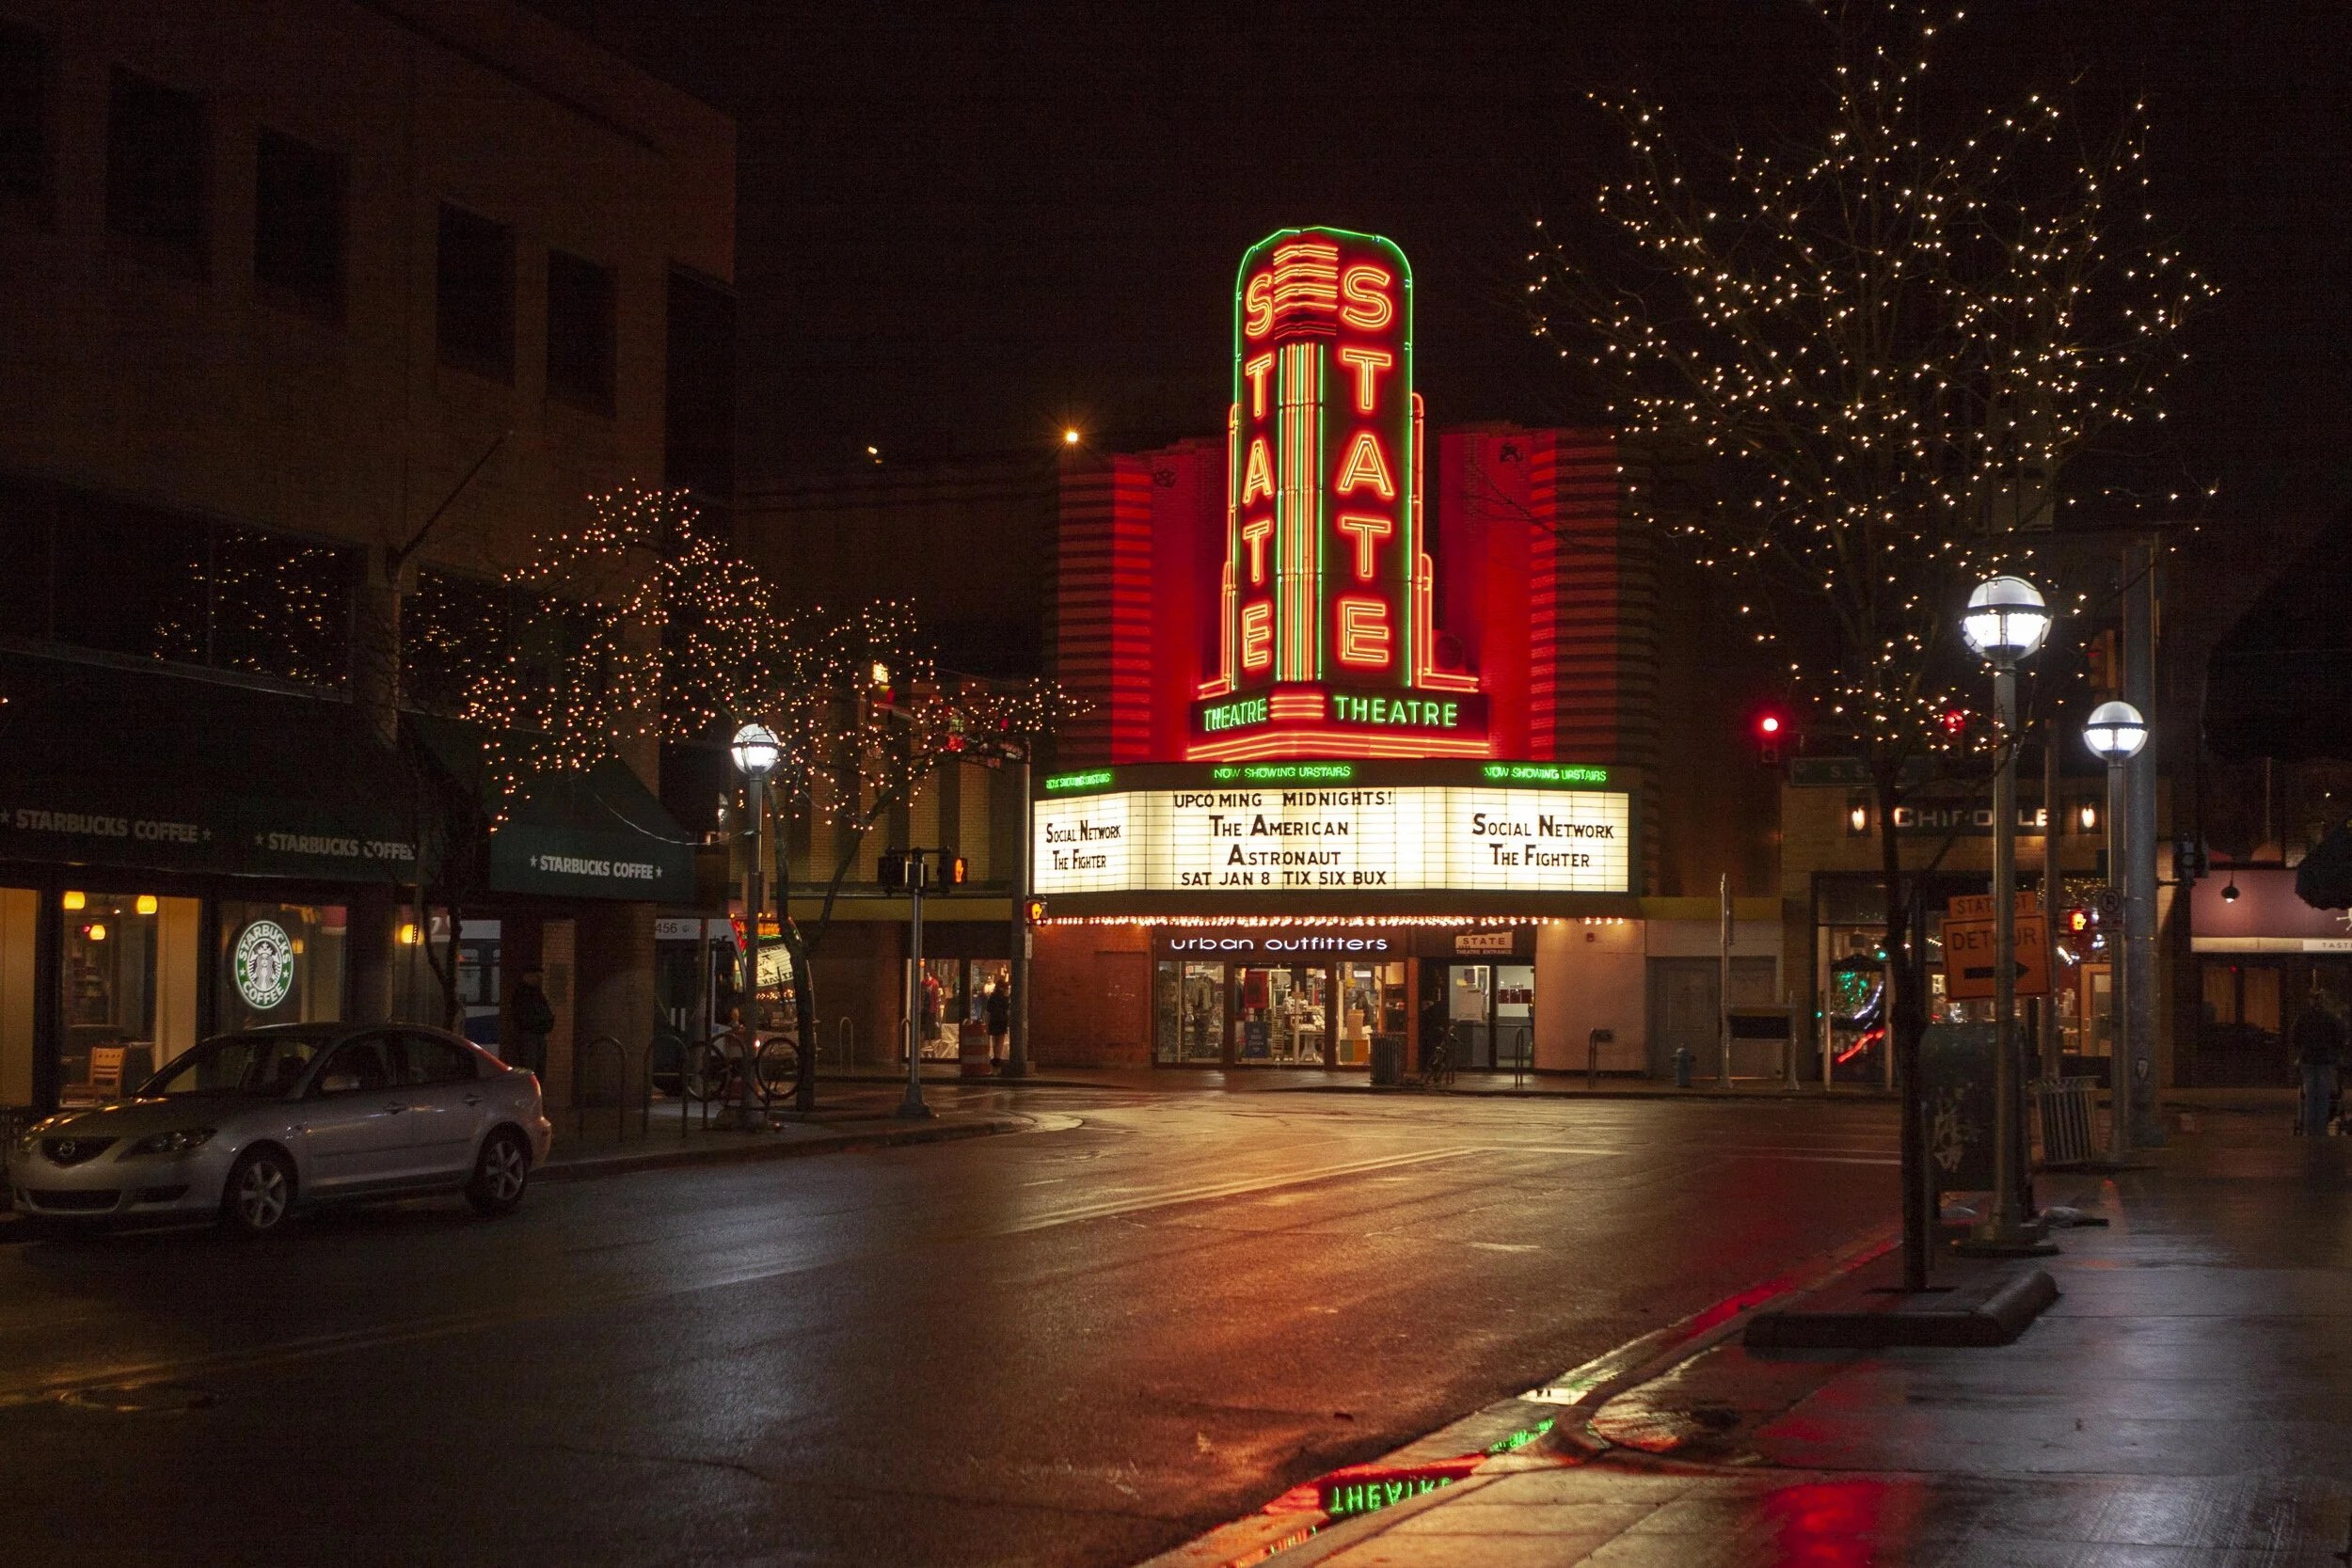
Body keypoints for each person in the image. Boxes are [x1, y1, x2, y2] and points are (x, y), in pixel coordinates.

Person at [2290, 985, 2343, 1136]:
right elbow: (2339, 1037)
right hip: (2325, 1059)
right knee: (2324, 1093)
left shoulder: (2304, 1018)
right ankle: (2321, 1126)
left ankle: (2309, 1126)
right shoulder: (2330, 1018)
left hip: (2308, 1058)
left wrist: (2302, 1049)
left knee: (2310, 1093)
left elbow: (2295, 1037)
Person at [509, 969, 557, 1081]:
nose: (539, 980)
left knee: (537, 1068)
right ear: (528, 976)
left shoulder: (534, 993)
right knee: (531, 1068)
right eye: (537, 977)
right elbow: (525, 1016)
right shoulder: (524, 994)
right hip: (530, 1035)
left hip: (536, 1034)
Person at [985, 980, 1011, 1068]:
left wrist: (987, 1023)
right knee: (1000, 1039)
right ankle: (997, 1057)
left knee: (994, 1039)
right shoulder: (1005, 998)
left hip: (993, 1020)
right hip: (1002, 1020)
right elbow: (1007, 1009)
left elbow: (988, 1011)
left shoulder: (992, 997)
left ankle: (994, 1056)